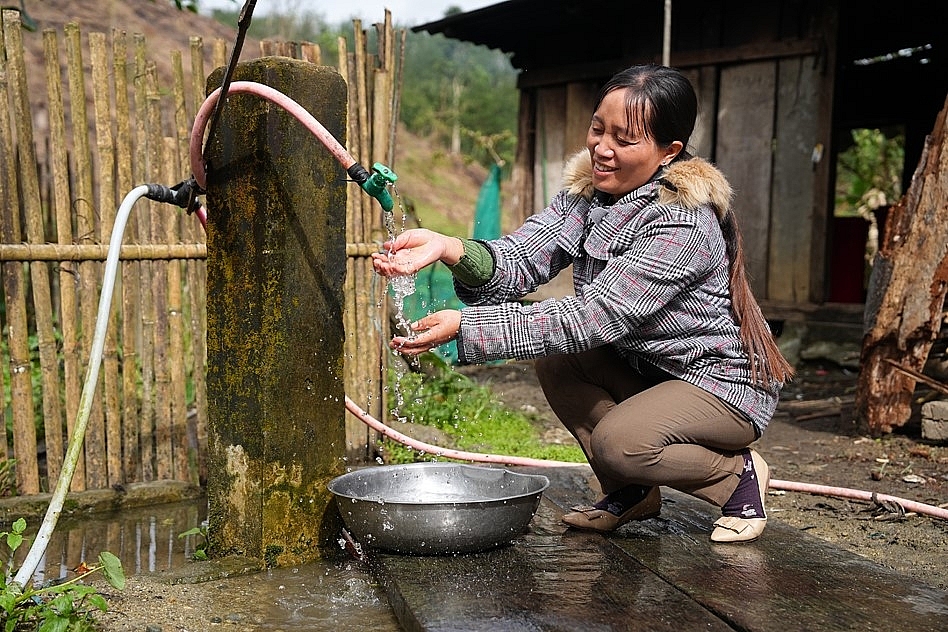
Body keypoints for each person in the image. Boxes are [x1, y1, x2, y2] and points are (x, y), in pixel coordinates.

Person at [371, 64, 794, 543]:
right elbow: (521, 260)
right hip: (653, 374)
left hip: (719, 386)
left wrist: (468, 328)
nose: (602, 148)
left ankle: (735, 478)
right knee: (558, 361)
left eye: (624, 139)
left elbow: (598, 316)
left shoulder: (684, 222)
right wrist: (449, 247)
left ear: (667, 152)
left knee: (620, 443)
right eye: (598, 129)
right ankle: (631, 492)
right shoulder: (590, 196)